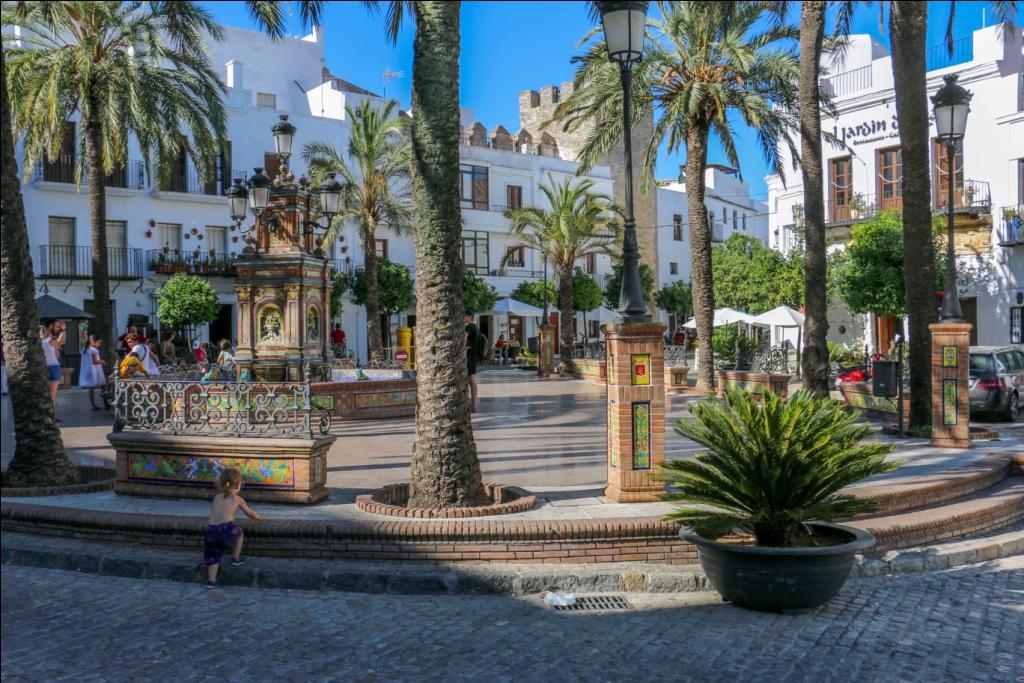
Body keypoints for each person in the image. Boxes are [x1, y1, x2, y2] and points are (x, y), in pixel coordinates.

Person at [203, 467, 262, 589]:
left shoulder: (217, 497)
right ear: (238, 485)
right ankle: (236, 558)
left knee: (214, 556)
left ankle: (211, 581)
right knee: (239, 533)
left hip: (210, 530)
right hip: (225, 529)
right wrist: (258, 518)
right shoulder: (237, 499)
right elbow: (249, 513)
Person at [79, 334, 108, 410]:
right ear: (95, 342)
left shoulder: (85, 349)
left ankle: (93, 405)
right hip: (95, 371)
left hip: (88, 371)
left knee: (91, 388)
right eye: (99, 342)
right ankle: (106, 404)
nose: (99, 344)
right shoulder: (94, 350)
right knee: (103, 386)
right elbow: (95, 361)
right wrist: (102, 361)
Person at [41, 319, 66, 404]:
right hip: (54, 367)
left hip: (43, 367)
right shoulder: (53, 340)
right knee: (53, 395)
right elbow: (58, 353)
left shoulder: (40, 341)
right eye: (57, 326)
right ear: (51, 326)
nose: (58, 328)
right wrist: (63, 330)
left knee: (44, 394)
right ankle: (52, 415)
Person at [464, 309, 480, 413]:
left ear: (470, 317)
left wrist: (461, 347)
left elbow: (464, 338)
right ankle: (473, 404)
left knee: (471, 380)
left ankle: (472, 404)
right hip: (474, 356)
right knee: (472, 379)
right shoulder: (476, 327)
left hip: (469, 356)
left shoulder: (469, 327)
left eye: (464, 316)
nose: (462, 318)